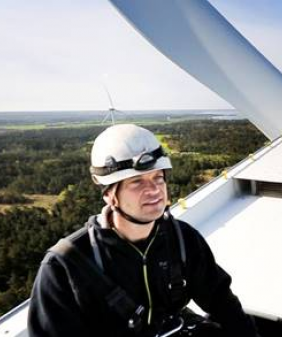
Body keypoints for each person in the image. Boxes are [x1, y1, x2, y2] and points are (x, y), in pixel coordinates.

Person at [28, 124, 257, 336]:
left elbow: (221, 301)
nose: (154, 190)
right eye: (136, 182)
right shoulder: (66, 266)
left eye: (158, 178)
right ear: (109, 194)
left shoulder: (181, 238)